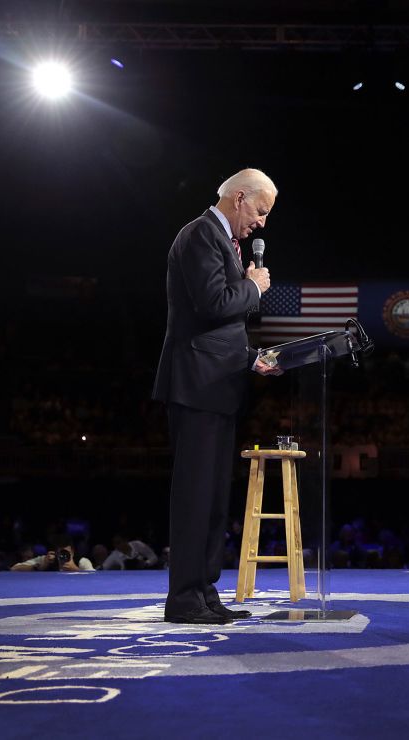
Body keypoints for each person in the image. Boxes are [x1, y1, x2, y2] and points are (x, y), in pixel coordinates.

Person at [151, 168, 282, 624]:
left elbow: (217, 325)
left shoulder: (223, 242)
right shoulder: (201, 235)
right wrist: (254, 287)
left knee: (211, 499)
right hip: (196, 386)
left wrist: (249, 358)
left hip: (217, 383)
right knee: (194, 495)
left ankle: (204, 592)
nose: (262, 222)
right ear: (240, 198)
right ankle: (185, 598)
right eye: (261, 211)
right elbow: (212, 304)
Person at [11, 536, 94, 572]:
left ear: (72, 552)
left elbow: (95, 578)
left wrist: (76, 569)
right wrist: (38, 567)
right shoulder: (47, 560)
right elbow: (14, 568)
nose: (63, 555)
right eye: (60, 552)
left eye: (66, 552)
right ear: (55, 552)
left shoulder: (82, 562)